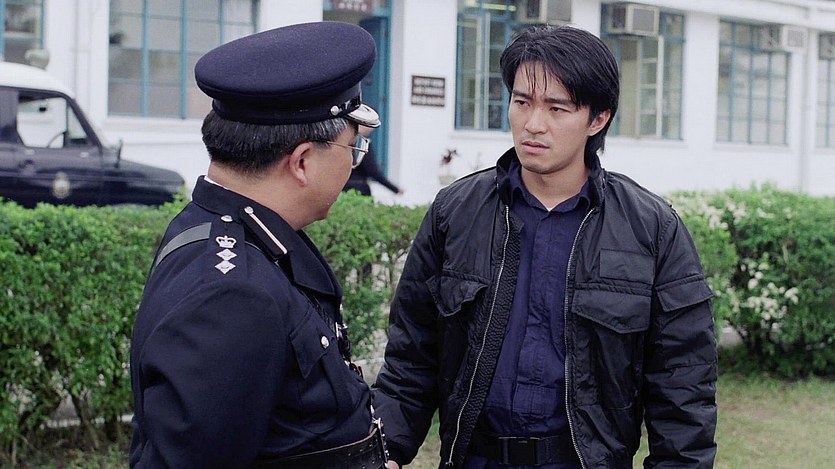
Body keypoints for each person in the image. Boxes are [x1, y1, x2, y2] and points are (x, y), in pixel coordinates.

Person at [372, 25, 718, 469]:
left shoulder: (652, 229)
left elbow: (683, 389)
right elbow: (410, 362)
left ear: (598, 118)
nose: (534, 124)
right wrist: (382, 454)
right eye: (522, 102)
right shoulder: (454, 212)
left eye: (557, 108)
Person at [129, 22, 389, 469]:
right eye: (352, 147)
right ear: (302, 161)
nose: (353, 163)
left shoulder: (225, 227)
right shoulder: (234, 296)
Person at [343, 125, 403, 197]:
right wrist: (395, 188)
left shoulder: (343, 140)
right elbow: (373, 171)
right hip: (358, 189)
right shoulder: (363, 143)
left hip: (342, 187)